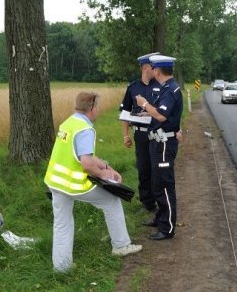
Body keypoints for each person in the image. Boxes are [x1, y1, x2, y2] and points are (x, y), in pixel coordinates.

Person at [44, 91, 143, 272]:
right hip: (73, 185)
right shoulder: (85, 129)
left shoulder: (69, 122)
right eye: (97, 107)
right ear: (92, 108)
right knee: (111, 201)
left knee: (62, 223)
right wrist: (106, 176)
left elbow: (84, 155)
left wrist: (106, 167)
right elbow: (87, 164)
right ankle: (121, 246)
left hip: (55, 182)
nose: (98, 110)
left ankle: (61, 267)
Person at [135, 55, 183, 240]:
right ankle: (160, 218)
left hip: (164, 143)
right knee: (157, 184)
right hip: (158, 141)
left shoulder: (170, 89)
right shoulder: (167, 88)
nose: (151, 71)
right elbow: (164, 113)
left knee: (164, 185)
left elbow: (162, 116)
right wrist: (148, 111)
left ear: (158, 70)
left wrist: (145, 103)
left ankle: (167, 228)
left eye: (153, 68)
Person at [119, 52, 161, 212]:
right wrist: (125, 135)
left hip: (157, 132)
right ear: (145, 68)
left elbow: (166, 112)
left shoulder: (160, 86)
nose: (156, 70)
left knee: (157, 168)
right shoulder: (133, 87)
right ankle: (147, 203)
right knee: (143, 168)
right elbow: (124, 113)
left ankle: (160, 201)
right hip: (140, 134)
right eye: (154, 67)